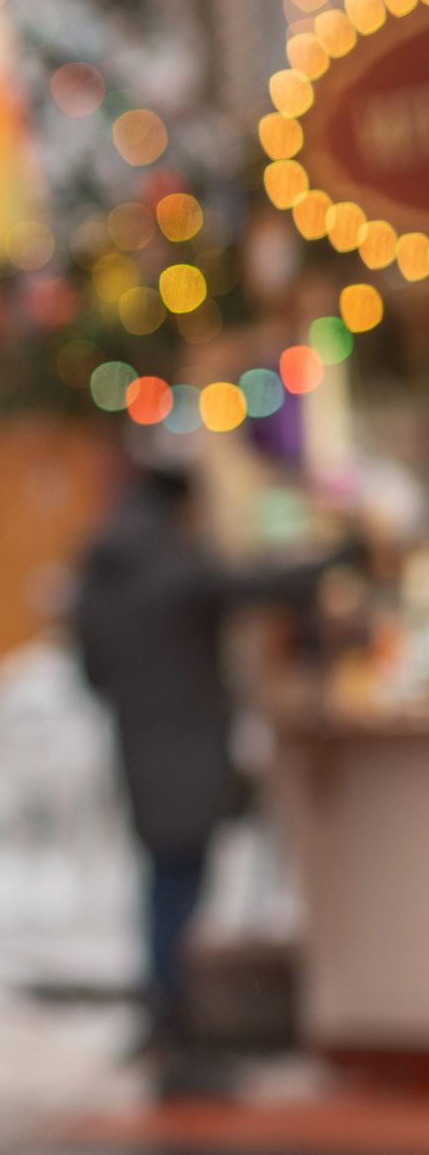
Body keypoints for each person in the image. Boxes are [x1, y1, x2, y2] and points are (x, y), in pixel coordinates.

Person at [72, 459, 335, 1101]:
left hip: (140, 745)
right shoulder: (170, 561)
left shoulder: (105, 566)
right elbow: (251, 586)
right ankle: (174, 1028)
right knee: (181, 887)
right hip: (186, 743)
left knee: (165, 883)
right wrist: (335, 560)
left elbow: (92, 669)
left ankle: (166, 1018)